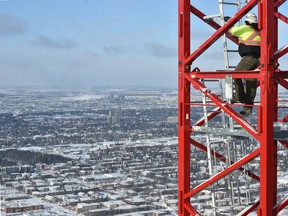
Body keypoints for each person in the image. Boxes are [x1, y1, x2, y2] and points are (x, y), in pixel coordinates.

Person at [228, 13, 260, 116]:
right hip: (258, 60)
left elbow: (232, 31)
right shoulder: (259, 32)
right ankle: (247, 109)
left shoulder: (244, 28)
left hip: (248, 58)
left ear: (247, 21)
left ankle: (240, 96)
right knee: (251, 84)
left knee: (236, 74)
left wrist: (229, 21)